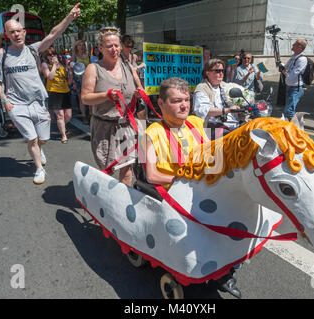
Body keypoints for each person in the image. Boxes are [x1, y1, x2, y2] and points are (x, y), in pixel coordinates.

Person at [144, 77, 241, 299]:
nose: (184, 105)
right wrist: (186, 177)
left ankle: (226, 267)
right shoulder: (151, 132)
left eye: (186, 100)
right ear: (161, 103)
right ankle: (216, 272)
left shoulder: (197, 123)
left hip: (202, 189)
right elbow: (151, 175)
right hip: (174, 194)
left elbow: (213, 157)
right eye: (177, 101)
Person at [0, 3, 81, 185]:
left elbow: (54, 34)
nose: (16, 34)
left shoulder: (33, 49)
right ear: (7, 35)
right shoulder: (2, 54)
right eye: (12, 32)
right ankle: (39, 168)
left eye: (19, 31)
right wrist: (5, 100)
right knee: (31, 138)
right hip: (16, 104)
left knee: (43, 139)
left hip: (38, 102)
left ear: (24, 32)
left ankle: (40, 148)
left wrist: (69, 18)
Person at [81, 26, 143, 187]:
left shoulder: (128, 67)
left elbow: (140, 87)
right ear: (101, 48)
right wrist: (106, 95)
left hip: (126, 125)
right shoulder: (93, 68)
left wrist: (139, 93)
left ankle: (122, 206)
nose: (114, 49)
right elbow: (85, 98)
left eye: (116, 45)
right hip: (104, 127)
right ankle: (104, 201)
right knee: (107, 171)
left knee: (126, 168)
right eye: (109, 46)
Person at [193, 59, 242, 140]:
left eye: (222, 71)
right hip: (213, 127)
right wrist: (227, 110)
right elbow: (202, 110)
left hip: (235, 125)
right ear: (207, 73)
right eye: (217, 71)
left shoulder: (226, 86)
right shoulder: (202, 88)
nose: (221, 73)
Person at [41, 47, 73, 143]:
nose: (52, 56)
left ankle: (61, 126)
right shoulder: (45, 65)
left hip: (65, 92)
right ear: (46, 57)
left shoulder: (63, 65)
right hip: (54, 92)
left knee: (68, 115)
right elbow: (50, 77)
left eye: (53, 54)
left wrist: (70, 71)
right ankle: (63, 135)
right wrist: (54, 65)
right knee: (60, 115)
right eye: (49, 55)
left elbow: (69, 82)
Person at [280, 38, 308, 120]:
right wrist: (281, 65)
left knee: (289, 110)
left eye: (294, 44)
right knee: (289, 110)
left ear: (300, 47)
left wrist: (284, 72)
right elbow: (286, 67)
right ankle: (293, 127)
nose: (292, 45)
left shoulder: (302, 59)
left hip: (296, 88)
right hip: (289, 86)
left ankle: (297, 128)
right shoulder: (294, 57)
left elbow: (292, 75)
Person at [71, 39, 90, 124]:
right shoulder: (74, 56)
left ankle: (91, 115)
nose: (81, 47)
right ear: (76, 47)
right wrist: (74, 82)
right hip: (78, 80)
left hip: (88, 79)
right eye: (79, 45)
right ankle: (84, 116)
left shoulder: (88, 55)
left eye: (83, 45)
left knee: (90, 97)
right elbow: (71, 70)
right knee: (81, 99)